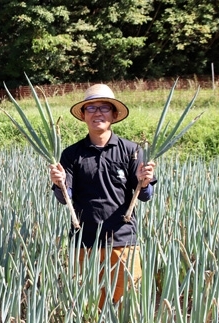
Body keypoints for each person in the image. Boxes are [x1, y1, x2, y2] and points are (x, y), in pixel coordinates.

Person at [49, 83, 157, 308]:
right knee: (88, 308)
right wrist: (59, 184)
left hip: (123, 240)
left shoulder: (132, 150)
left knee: (128, 306)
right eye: (91, 108)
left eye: (104, 108)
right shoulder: (71, 154)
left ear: (114, 114)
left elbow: (146, 195)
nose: (97, 112)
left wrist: (144, 181)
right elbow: (64, 198)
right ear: (83, 115)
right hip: (84, 242)